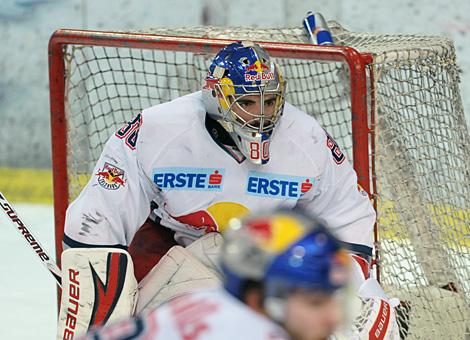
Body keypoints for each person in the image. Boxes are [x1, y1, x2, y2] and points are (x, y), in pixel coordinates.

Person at [56, 41, 398, 339]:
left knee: (373, 322)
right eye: (248, 102)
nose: (262, 115)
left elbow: (347, 219)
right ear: (216, 96)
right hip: (177, 250)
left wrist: (337, 290)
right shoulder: (158, 129)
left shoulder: (306, 137)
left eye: (269, 102)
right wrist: (95, 305)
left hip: (272, 257)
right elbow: (97, 221)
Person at [77, 210, 353, 340]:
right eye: (315, 302)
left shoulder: (210, 300)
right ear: (258, 299)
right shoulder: (247, 333)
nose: (334, 316)